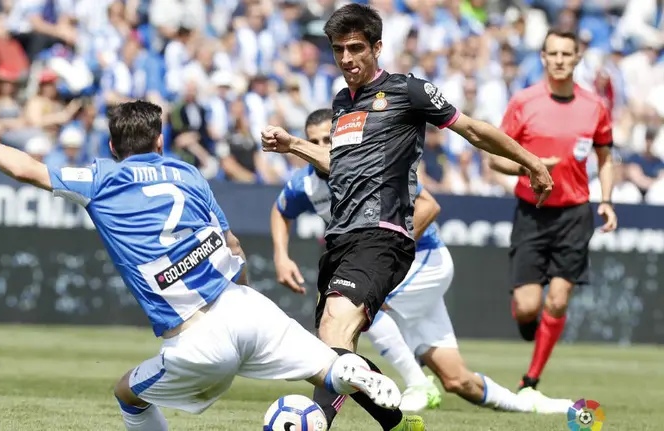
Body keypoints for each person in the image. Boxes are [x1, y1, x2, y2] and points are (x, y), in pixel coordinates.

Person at [0, 97, 404, 431]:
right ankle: (348, 372)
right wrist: (244, 294)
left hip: (196, 338)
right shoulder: (188, 173)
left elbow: (28, 169)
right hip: (246, 307)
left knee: (128, 395)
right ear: (160, 141)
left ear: (112, 146)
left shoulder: (101, 177)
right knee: (326, 368)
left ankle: (343, 373)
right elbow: (232, 245)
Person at [261, 4, 554, 430]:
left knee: (335, 330)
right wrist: (293, 145)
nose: (346, 58)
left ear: (377, 47)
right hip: (341, 237)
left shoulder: (408, 91)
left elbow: (473, 129)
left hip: (381, 233)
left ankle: (316, 421)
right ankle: (399, 424)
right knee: (328, 351)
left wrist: (531, 162)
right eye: (338, 50)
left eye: (356, 48)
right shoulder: (342, 102)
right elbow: (340, 163)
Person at [271, 111, 574, 419]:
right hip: (392, 269)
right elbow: (280, 211)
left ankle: (417, 384)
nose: (322, 146)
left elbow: (429, 205)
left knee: (357, 304)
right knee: (457, 379)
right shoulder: (304, 184)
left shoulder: (370, 165)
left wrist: (382, 248)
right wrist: (281, 256)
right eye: (314, 141)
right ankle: (530, 404)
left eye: (328, 138)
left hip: (424, 260)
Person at [489, 29, 618, 399]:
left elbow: (605, 158)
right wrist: (527, 167)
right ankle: (526, 319)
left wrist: (607, 199)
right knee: (527, 307)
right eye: (553, 54)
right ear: (543, 58)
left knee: (558, 300)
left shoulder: (595, 106)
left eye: (566, 53)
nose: (560, 60)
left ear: (577, 58)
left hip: (575, 214)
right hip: (532, 213)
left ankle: (531, 379)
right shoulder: (523, 102)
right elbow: (495, 158)